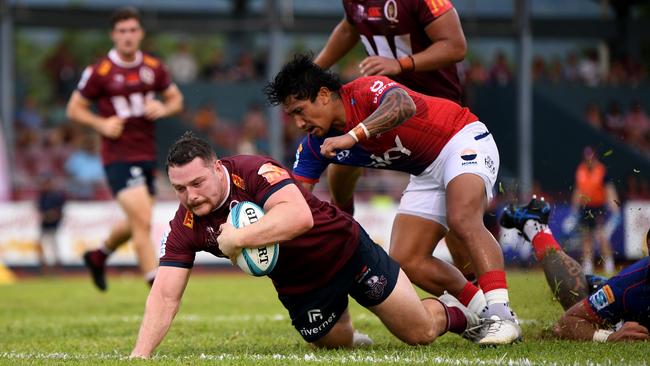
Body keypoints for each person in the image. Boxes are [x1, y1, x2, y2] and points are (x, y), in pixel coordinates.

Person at [129, 132, 486, 358]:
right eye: (179, 189)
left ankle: (463, 315)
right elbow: (164, 296)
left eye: (196, 183)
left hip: (345, 251)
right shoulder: (185, 225)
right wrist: (139, 356)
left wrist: (238, 238)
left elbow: (299, 217)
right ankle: (341, 317)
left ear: (217, 168)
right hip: (301, 286)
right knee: (336, 345)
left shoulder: (254, 171)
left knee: (419, 332)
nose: (189, 196)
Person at [264, 54, 520, 345]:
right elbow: (296, 201)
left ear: (323, 95)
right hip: (424, 172)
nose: (298, 123)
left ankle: (503, 315)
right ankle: (482, 312)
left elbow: (403, 105)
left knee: (462, 218)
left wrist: (353, 135)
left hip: (460, 139)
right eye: (292, 116)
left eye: (300, 111)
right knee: (407, 259)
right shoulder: (313, 146)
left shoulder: (364, 91)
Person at [66, 7, 184, 290]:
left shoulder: (153, 68)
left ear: (140, 33)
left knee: (136, 220)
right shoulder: (100, 71)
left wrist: (164, 107)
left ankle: (98, 255)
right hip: (117, 156)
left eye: (132, 30)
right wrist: (101, 124)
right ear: (113, 35)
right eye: (121, 31)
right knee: (142, 219)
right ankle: (156, 287)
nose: (127, 36)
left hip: (146, 154)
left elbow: (176, 100)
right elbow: (74, 109)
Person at [313, 0, 467, 217]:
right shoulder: (351, 2)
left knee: (457, 229)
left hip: (435, 110)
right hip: (386, 105)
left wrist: (400, 64)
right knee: (341, 159)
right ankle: (343, 224)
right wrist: (311, 72)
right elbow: (349, 28)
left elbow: (456, 46)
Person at [501, 197, 650, 342]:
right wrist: (609, 337)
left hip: (598, 207)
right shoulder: (626, 285)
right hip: (615, 300)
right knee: (579, 298)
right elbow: (567, 323)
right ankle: (536, 228)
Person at [563, 146, 621, 275]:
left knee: (601, 236)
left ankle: (608, 262)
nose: (589, 160)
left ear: (595, 157)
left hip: (598, 207)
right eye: (586, 157)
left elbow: (609, 189)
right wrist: (573, 210)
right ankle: (588, 264)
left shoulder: (601, 170)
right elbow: (578, 190)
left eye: (591, 157)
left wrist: (614, 206)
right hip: (585, 208)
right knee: (586, 236)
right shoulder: (580, 170)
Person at [36, 175, 66, 274]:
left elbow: (59, 213)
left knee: (54, 248)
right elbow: (41, 212)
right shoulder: (42, 196)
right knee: (43, 248)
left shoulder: (57, 196)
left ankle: (57, 270)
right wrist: (48, 215)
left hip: (54, 227)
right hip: (44, 227)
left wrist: (51, 215)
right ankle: (45, 270)